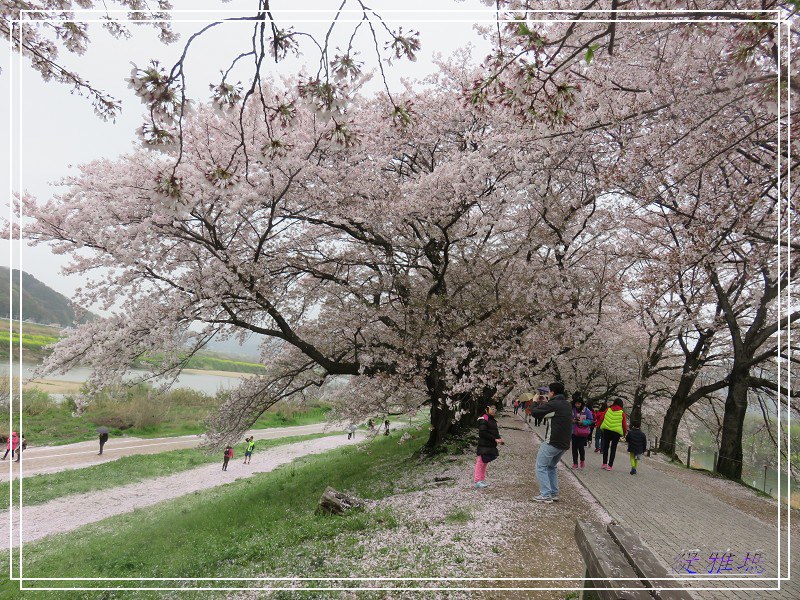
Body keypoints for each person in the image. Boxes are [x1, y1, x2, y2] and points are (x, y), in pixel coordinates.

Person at [530, 382, 572, 503]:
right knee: (551, 466)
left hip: (552, 442)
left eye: (549, 391)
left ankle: (545, 494)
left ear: (552, 392)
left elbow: (535, 413)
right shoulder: (567, 404)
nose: (548, 393)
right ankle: (554, 493)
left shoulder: (554, 404)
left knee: (540, 466)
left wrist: (534, 401)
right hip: (564, 444)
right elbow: (551, 413)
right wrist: (544, 403)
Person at [474, 405, 504, 489]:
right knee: (480, 462)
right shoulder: (484, 419)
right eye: (492, 409)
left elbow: (494, 431)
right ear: (487, 409)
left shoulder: (492, 420)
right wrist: (494, 439)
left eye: (495, 409)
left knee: (485, 462)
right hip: (484, 444)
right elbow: (482, 433)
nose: (494, 410)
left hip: (489, 444)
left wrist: (499, 439)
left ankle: (482, 479)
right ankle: (477, 481)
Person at [599, 398, 628, 471]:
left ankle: (604, 463)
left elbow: (602, 418)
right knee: (613, 448)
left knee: (605, 446)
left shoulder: (608, 409)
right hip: (616, 432)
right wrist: (624, 433)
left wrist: (599, 426)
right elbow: (624, 424)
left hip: (607, 430)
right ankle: (610, 466)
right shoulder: (622, 413)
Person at [570, 393, 594, 469]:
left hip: (583, 432)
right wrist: (572, 420)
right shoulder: (572, 409)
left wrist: (583, 422)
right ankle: (575, 463)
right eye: (576, 403)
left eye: (579, 403)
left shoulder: (586, 410)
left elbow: (591, 420)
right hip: (574, 431)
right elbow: (568, 417)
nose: (577, 405)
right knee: (574, 448)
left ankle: (582, 460)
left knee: (581, 447)